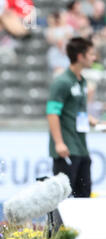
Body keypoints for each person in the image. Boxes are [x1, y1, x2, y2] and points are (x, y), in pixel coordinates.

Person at [46, 37, 96, 201]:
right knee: (62, 198)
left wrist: (92, 120)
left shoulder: (81, 81)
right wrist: (59, 142)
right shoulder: (62, 82)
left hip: (81, 146)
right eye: (91, 54)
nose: (94, 58)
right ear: (80, 56)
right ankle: (58, 228)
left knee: (84, 195)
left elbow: (76, 111)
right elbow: (52, 112)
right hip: (67, 147)